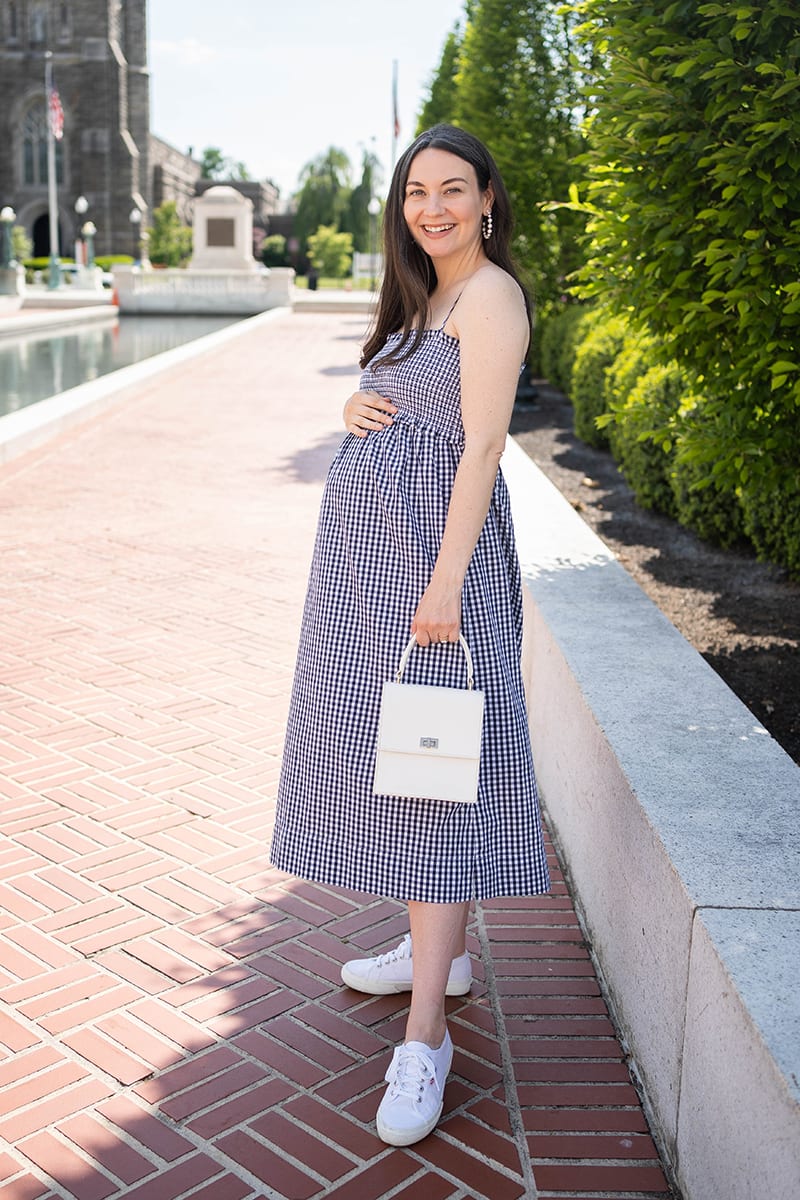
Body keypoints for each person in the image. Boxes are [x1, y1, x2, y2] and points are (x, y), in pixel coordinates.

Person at [270, 124, 550, 1147]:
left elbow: (480, 445)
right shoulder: (423, 294)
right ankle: (434, 950)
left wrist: (442, 585)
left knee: (433, 781)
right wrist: (357, 401)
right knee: (400, 766)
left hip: (435, 575)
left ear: (486, 200)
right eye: (414, 192)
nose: (430, 208)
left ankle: (426, 1033)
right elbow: (404, 396)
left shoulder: (490, 296)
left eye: (451, 191)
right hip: (370, 574)